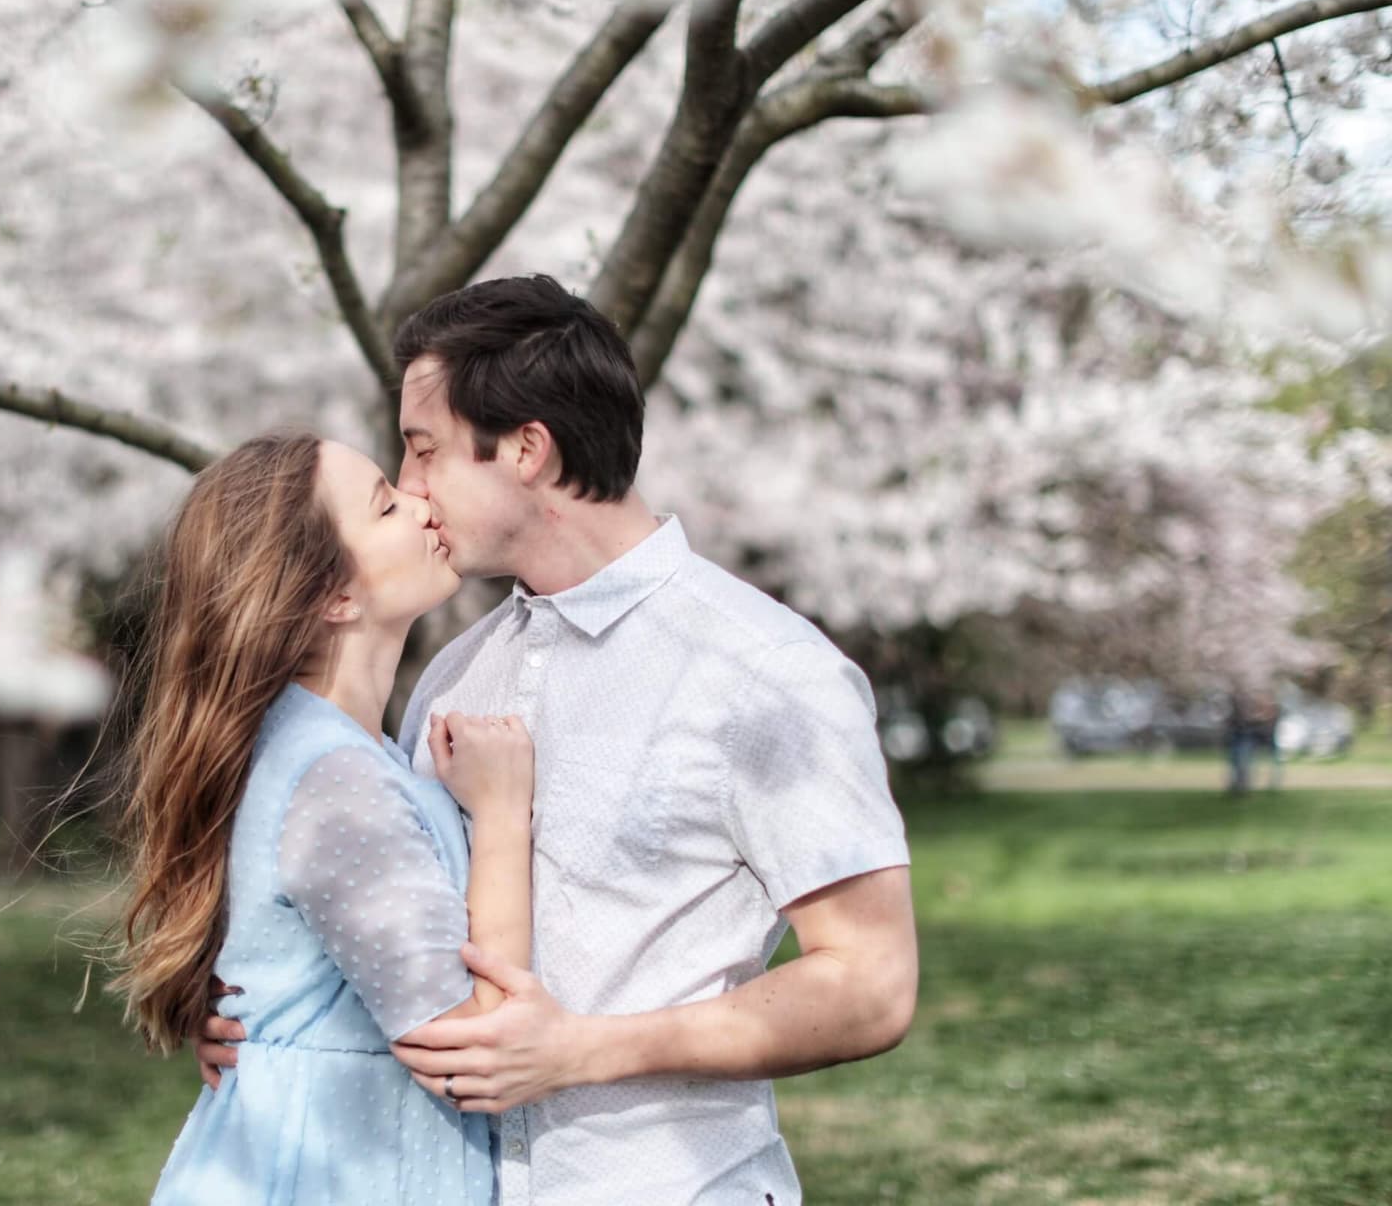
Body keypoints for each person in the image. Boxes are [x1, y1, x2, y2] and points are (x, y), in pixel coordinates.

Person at [197, 275, 919, 1206]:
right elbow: (404, 935)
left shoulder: (767, 673)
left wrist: (583, 1051)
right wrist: (276, 1025)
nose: (412, 489)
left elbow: (872, 984)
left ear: (528, 450)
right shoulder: (455, 674)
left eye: (424, 452)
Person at [131, 431, 538, 1206]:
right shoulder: (334, 777)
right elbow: (473, 1054)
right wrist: (502, 815)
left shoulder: (339, 749)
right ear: (335, 595)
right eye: (387, 505)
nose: (422, 504)